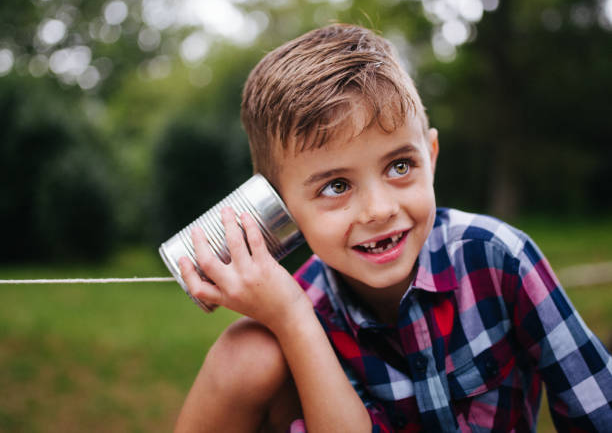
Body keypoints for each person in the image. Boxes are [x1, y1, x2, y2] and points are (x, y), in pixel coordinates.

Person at [173, 24, 612, 432]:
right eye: (336, 186)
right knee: (247, 350)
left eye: (400, 166)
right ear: (280, 207)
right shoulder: (309, 307)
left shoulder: (498, 259)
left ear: (432, 157)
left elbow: (598, 410)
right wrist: (293, 318)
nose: (378, 210)